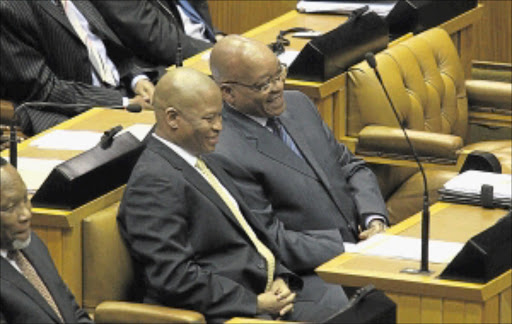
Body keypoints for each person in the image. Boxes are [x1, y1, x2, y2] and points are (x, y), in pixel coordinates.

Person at [117, 67, 348, 323]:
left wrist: (281, 276)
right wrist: (255, 303)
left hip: (264, 286)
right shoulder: (154, 182)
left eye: (220, 116)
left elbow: (252, 233)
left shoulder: (203, 157)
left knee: (363, 298)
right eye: (209, 119)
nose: (219, 127)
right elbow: (173, 276)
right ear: (173, 118)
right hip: (224, 310)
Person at [210, 35, 390, 271]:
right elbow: (269, 237)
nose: (279, 87)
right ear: (228, 93)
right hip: (314, 271)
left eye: (279, 74)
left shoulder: (298, 104)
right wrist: (348, 251)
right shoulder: (224, 150)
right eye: (264, 85)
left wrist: (374, 220)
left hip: (368, 245)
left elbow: (350, 167)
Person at [0, 0, 157, 134]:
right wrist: (123, 103)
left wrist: (137, 78)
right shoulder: (9, 7)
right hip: (74, 112)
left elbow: (106, 44)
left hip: (124, 90)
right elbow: (44, 90)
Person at [0, 157, 93, 323]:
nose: (26, 214)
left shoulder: (32, 243)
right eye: (9, 208)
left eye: (25, 199)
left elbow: (73, 313)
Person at [92, 0, 222, 67]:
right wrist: (221, 52)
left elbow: (192, 14)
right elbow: (156, 38)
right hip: (164, 70)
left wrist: (218, 36)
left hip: (201, 52)